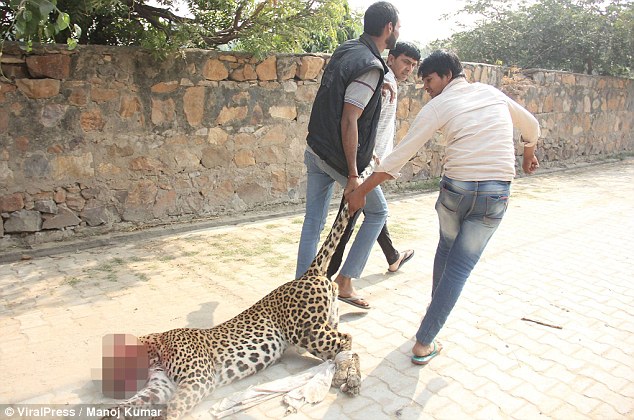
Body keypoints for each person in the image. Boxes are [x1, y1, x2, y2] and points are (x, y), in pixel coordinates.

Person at [347, 50, 540, 363]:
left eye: (429, 79)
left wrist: (361, 192)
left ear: (447, 76)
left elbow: (400, 155)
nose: (426, 87)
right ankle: (426, 338)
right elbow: (530, 125)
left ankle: (428, 330)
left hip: (456, 193)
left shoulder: (439, 105)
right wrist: (528, 152)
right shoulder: (491, 94)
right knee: (459, 266)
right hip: (494, 195)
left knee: (449, 253)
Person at [295, 1, 400, 310]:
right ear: (389, 28)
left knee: (313, 222)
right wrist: (354, 175)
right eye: (398, 27)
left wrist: (376, 91)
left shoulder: (348, 49)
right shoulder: (369, 64)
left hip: (315, 149)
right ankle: (345, 281)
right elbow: (349, 119)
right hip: (339, 160)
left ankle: (300, 294)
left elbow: (342, 91)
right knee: (377, 213)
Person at [327, 41, 421, 280]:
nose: (409, 68)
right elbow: (359, 121)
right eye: (405, 62)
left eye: (413, 65)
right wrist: (371, 160)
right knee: (349, 220)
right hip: (368, 163)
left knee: (367, 213)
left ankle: (392, 256)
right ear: (391, 59)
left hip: (374, 163)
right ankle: (327, 277)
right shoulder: (384, 82)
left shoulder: (389, 82)